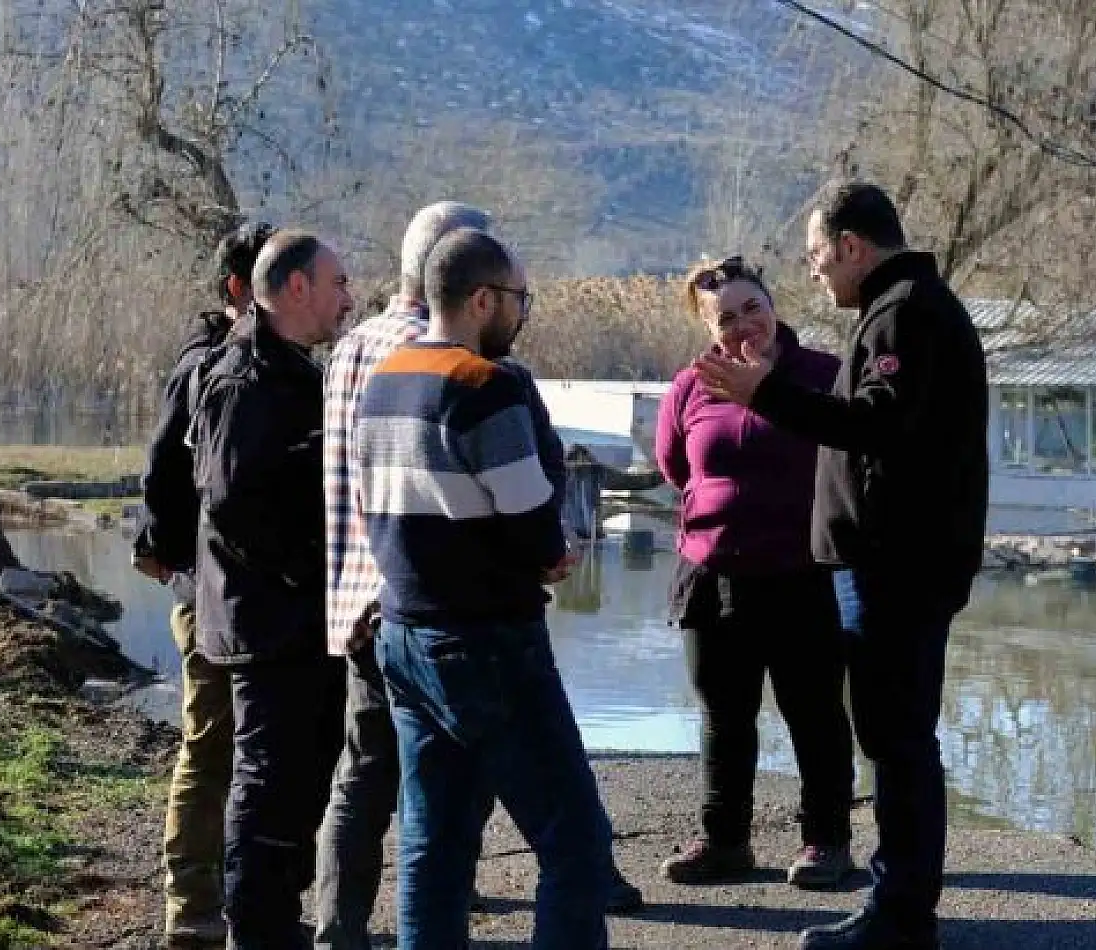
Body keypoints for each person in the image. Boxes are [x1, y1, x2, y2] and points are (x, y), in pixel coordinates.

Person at [316, 203, 642, 950]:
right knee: (574, 842)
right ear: (482, 300)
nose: (523, 316)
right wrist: (553, 551)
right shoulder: (482, 384)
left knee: (435, 844)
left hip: (403, 634)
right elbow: (533, 520)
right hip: (488, 641)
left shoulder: (383, 378)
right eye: (520, 300)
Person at [695, 181, 988, 950]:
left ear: (853, 246)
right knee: (897, 737)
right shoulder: (908, 307)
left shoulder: (903, 314)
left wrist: (768, 394)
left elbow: (874, 427)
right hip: (900, 563)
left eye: (819, 255)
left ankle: (898, 915)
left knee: (897, 741)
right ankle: (899, 907)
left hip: (897, 566)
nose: (817, 273)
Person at [315, 200, 491, 950]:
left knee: (361, 777)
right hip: (429, 601)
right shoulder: (450, 353)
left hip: (357, 596)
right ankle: (437, 917)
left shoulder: (351, 347)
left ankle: (338, 928)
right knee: (447, 779)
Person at [654, 255, 857, 889]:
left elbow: (850, 457)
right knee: (724, 715)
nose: (744, 325)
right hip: (713, 575)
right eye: (726, 317)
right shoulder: (689, 386)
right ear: (708, 326)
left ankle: (825, 841)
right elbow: (675, 469)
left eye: (752, 308)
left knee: (814, 712)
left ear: (773, 306)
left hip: (803, 574)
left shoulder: (823, 375)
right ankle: (725, 843)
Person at [188, 229, 356, 949]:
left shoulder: (293, 369)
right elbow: (229, 498)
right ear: (295, 289)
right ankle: (256, 933)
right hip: (267, 620)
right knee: (266, 784)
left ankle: (275, 917)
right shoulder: (245, 377)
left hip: (297, 618)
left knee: (301, 778)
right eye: (337, 284)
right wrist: (302, 566)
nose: (348, 299)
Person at [132, 221, 273, 947]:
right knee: (210, 742)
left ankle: (227, 894)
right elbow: (160, 467)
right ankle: (190, 908)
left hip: (239, 591)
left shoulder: (263, 360)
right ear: (238, 289)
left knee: (241, 745)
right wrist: (161, 549)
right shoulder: (207, 366)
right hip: (206, 590)